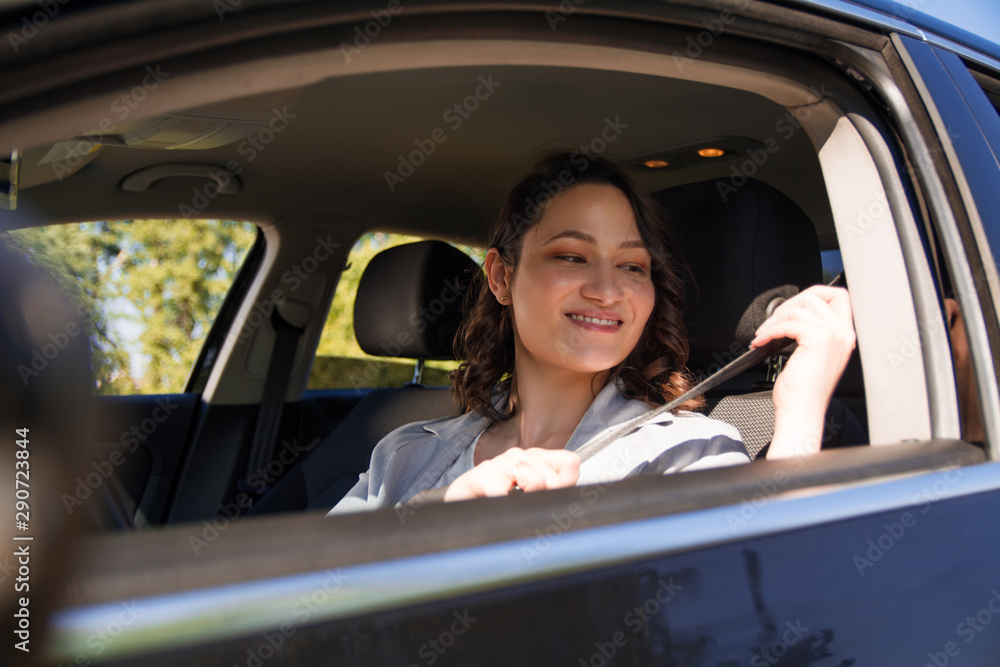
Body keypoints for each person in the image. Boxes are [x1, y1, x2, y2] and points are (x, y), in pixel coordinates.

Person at [328, 152, 855, 514]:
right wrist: (434, 517)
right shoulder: (403, 455)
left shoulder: (683, 456)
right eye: (572, 257)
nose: (608, 290)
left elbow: (761, 594)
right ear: (501, 277)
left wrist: (800, 416)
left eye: (632, 266)